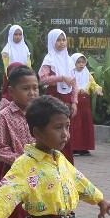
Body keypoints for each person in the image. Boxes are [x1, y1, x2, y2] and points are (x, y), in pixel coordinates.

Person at [0, 65, 39, 218]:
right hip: (15, 176)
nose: (32, 93)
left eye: (35, 87)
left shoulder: (43, 113)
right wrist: (23, 160)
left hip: (40, 176)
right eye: (26, 88)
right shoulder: (3, 117)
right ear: (11, 91)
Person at [39, 29, 77, 164]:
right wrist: (61, 78)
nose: (62, 43)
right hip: (53, 97)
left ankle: (66, 163)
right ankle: (51, 161)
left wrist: (74, 101)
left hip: (66, 99)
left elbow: (74, 82)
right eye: (58, 40)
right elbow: (43, 79)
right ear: (52, 42)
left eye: (63, 40)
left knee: (65, 130)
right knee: (54, 127)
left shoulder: (69, 60)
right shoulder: (49, 59)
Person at [70, 52, 103, 155]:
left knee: (85, 124)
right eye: (78, 62)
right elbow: (69, 87)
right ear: (73, 63)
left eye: (83, 62)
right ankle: (74, 147)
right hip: (75, 102)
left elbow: (93, 84)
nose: (81, 64)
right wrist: (78, 90)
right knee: (76, 125)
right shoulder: (70, 73)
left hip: (85, 103)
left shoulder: (87, 74)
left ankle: (84, 147)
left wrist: (97, 88)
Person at [0, 25, 31, 99]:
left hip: (24, 77)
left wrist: (28, 76)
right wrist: (11, 77)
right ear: (11, 35)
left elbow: (28, 65)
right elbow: (6, 67)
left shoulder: (25, 49)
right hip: (11, 78)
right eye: (16, 34)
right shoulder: (6, 51)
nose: (18, 37)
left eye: (20, 34)